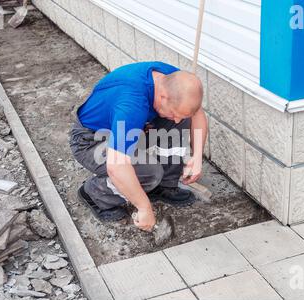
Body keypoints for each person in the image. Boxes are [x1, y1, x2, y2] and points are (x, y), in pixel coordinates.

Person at [70, 61, 208, 232]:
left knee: (183, 117)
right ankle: (94, 193)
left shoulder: (172, 80)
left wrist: (197, 157)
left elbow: (197, 114)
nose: (177, 120)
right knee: (149, 173)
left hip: (131, 130)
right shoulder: (132, 104)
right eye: (173, 113)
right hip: (92, 140)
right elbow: (117, 165)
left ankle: (165, 185)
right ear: (163, 96)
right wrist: (144, 208)